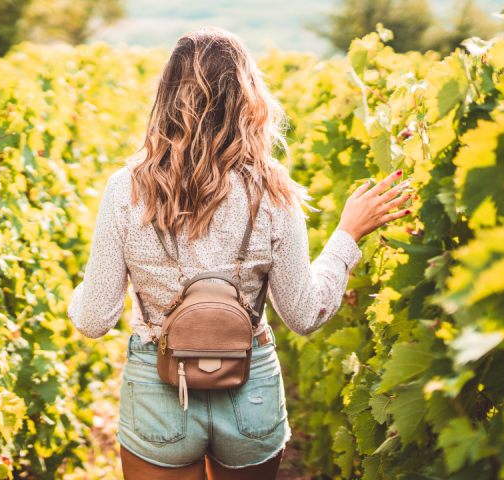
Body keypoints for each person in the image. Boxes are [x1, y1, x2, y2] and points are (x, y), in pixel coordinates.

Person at [67, 26, 411, 480]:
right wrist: (347, 236)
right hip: (250, 387)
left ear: (166, 97)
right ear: (248, 96)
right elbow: (305, 314)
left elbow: (93, 320)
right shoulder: (273, 190)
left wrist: (83, 290)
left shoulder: (125, 189)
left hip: (159, 388)